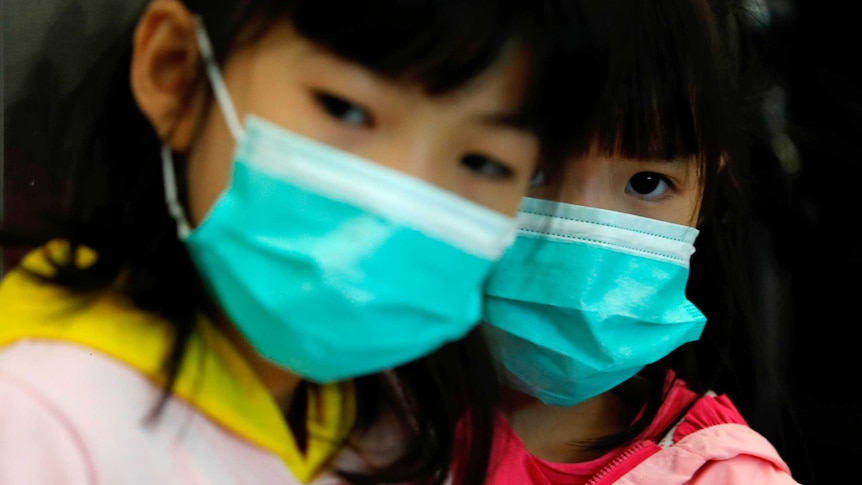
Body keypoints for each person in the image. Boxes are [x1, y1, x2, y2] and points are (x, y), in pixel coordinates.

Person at [0, 0, 596, 483]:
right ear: (176, 73)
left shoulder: (395, 423)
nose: (402, 199)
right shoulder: (40, 421)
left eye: (485, 162)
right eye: (346, 108)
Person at [473, 0, 802, 482]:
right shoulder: (359, 412)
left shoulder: (714, 473)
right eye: (529, 171)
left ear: (706, 190)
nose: (576, 266)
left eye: (647, 182)